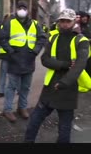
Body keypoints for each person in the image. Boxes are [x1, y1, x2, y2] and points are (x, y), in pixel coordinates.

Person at [24, 9, 90, 143]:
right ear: (59, 22)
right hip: (50, 88)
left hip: (68, 89)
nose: (64, 24)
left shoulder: (81, 41)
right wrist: (65, 64)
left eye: (68, 21)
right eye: (62, 21)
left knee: (64, 129)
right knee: (34, 121)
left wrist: (64, 82)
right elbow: (44, 59)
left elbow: (79, 65)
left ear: (74, 22)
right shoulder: (53, 37)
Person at [0, 1, 46, 122]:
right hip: (15, 60)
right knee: (11, 87)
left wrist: (36, 50)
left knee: (26, 87)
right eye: (20, 7)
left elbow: (42, 38)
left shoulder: (35, 24)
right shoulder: (10, 22)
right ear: (17, 9)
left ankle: (22, 108)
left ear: (27, 10)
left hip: (28, 60)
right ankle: (8, 110)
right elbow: (2, 38)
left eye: (24, 8)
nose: (22, 10)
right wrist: (10, 52)